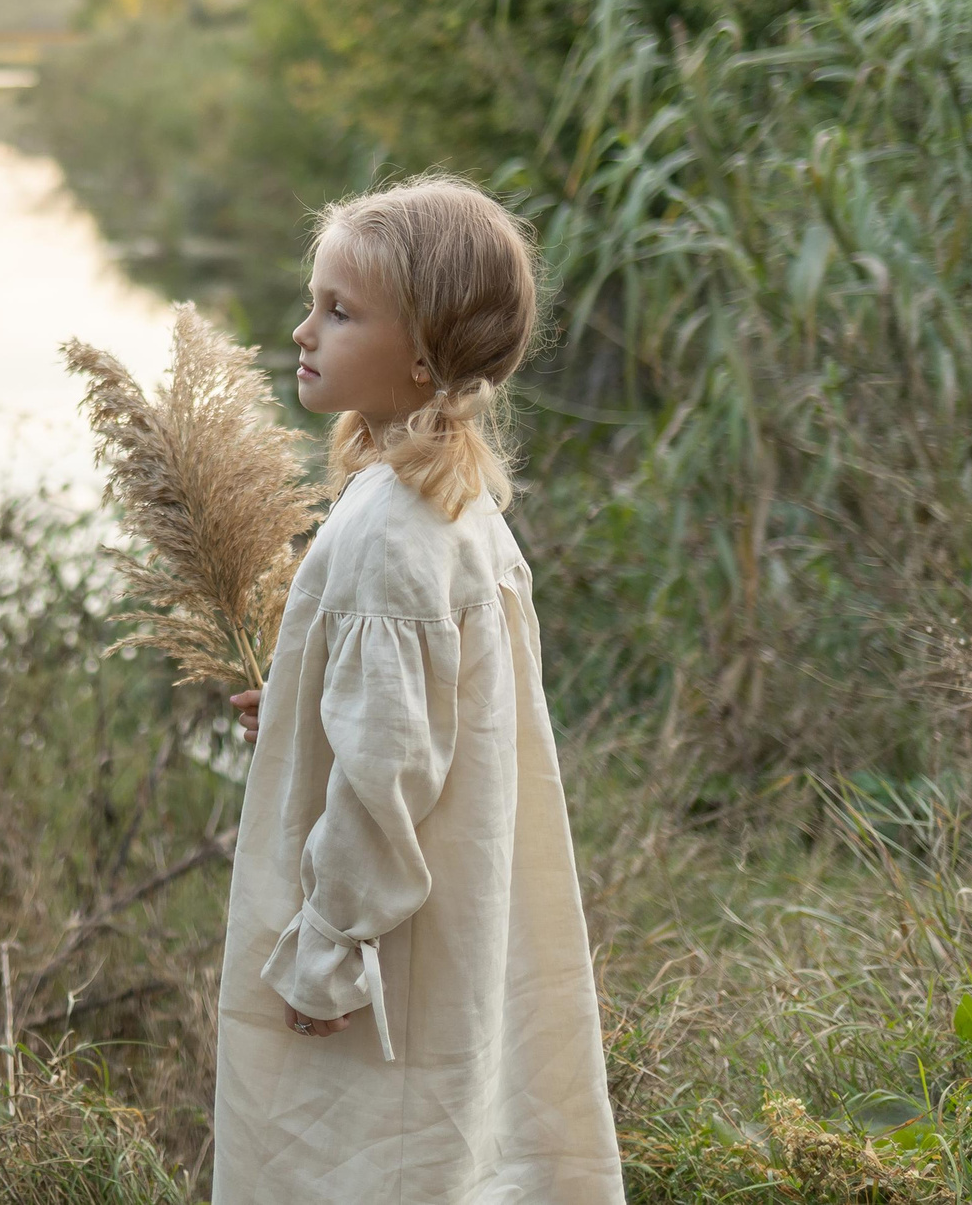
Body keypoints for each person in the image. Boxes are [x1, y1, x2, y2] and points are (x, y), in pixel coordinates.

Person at [212, 175, 625, 1205]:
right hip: (457, 904)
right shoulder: (451, 505)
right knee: (456, 1146)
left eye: (339, 311)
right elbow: (418, 713)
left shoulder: (390, 531)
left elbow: (388, 775)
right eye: (312, 302)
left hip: (383, 949)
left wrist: (325, 950)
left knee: (354, 1159)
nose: (303, 329)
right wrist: (302, 709)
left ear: (425, 354)